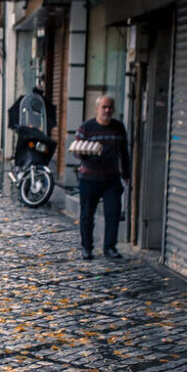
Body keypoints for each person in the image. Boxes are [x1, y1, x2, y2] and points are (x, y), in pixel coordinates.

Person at [75, 95, 130, 260]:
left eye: (110, 107)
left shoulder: (118, 127)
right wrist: (87, 153)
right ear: (97, 109)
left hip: (111, 179)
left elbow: (124, 153)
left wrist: (126, 173)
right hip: (89, 179)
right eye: (104, 107)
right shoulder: (86, 127)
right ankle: (87, 247)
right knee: (87, 215)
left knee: (113, 214)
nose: (107, 110)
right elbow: (77, 151)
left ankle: (110, 247)